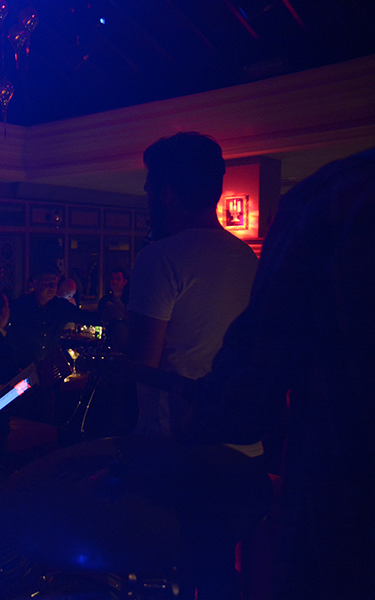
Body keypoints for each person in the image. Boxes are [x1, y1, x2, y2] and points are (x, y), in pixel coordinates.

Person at [169, 147, 375, 600]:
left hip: (343, 515)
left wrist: (179, 432)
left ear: (166, 194)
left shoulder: (336, 199)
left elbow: (250, 389)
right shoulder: (248, 250)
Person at [126, 133, 258, 438]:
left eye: (148, 191)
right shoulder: (246, 256)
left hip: (176, 440)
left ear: (166, 194)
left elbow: (142, 364)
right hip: (239, 438)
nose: (147, 200)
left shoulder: (159, 257)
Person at [8, 265, 100, 369]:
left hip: (49, 370)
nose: (52, 287)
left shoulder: (61, 307)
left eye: (55, 283)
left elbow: (86, 317)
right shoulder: (20, 305)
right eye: (47, 282)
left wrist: (109, 316)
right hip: (22, 369)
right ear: (35, 283)